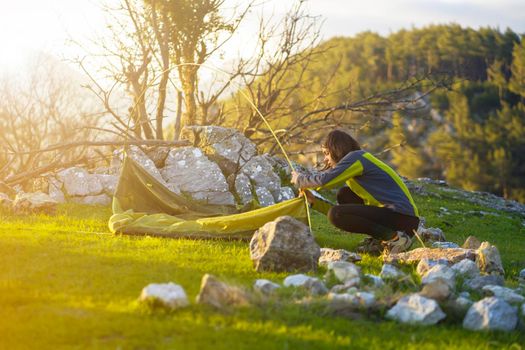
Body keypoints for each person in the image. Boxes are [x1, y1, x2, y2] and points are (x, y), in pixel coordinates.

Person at [290, 130, 420, 254]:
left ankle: (396, 239)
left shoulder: (357, 158)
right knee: (345, 194)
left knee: (336, 214)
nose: (325, 159)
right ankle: (382, 239)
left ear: (337, 149)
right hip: (399, 217)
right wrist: (315, 203)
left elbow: (325, 180)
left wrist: (300, 179)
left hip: (403, 218)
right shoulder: (357, 159)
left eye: (327, 153)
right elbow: (346, 210)